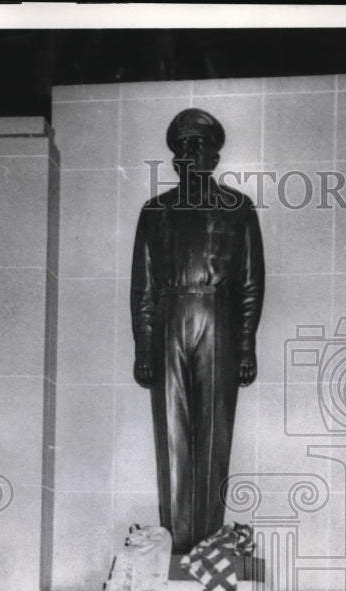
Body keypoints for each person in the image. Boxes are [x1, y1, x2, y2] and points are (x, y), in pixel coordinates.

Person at [131, 107, 265, 555]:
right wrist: (144, 347)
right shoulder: (155, 212)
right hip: (170, 320)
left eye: (197, 145)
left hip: (218, 320)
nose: (187, 154)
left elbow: (250, 282)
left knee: (213, 435)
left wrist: (246, 343)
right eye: (181, 146)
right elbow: (143, 287)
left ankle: (208, 542)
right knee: (172, 435)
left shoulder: (237, 208)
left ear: (214, 156)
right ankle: (176, 543)